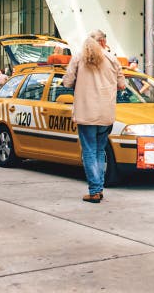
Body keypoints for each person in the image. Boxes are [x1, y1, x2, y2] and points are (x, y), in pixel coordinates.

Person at [62, 30, 126, 203]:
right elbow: (122, 85)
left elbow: (67, 82)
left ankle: (95, 190)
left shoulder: (78, 58)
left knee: (89, 151)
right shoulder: (113, 59)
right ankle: (99, 188)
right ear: (104, 42)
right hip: (105, 114)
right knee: (99, 150)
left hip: (86, 113)